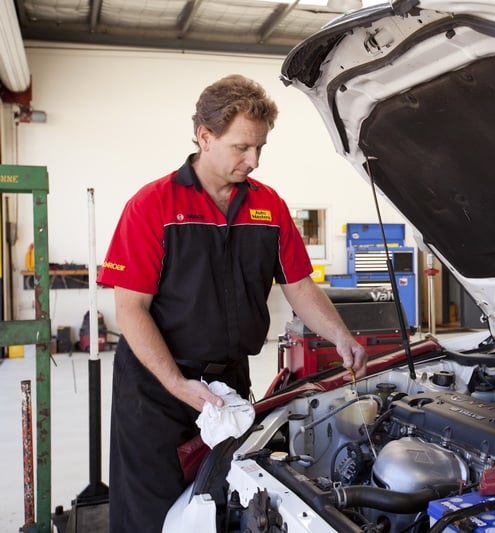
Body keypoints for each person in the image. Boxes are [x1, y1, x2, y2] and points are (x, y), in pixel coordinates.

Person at [97, 74, 368, 532]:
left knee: (223, 501)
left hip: (229, 384)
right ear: (204, 137)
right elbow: (131, 310)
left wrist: (340, 334)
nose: (254, 160)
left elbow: (299, 285)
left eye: (260, 148)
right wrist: (179, 385)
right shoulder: (153, 207)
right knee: (151, 514)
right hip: (156, 390)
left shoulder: (270, 209)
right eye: (242, 147)